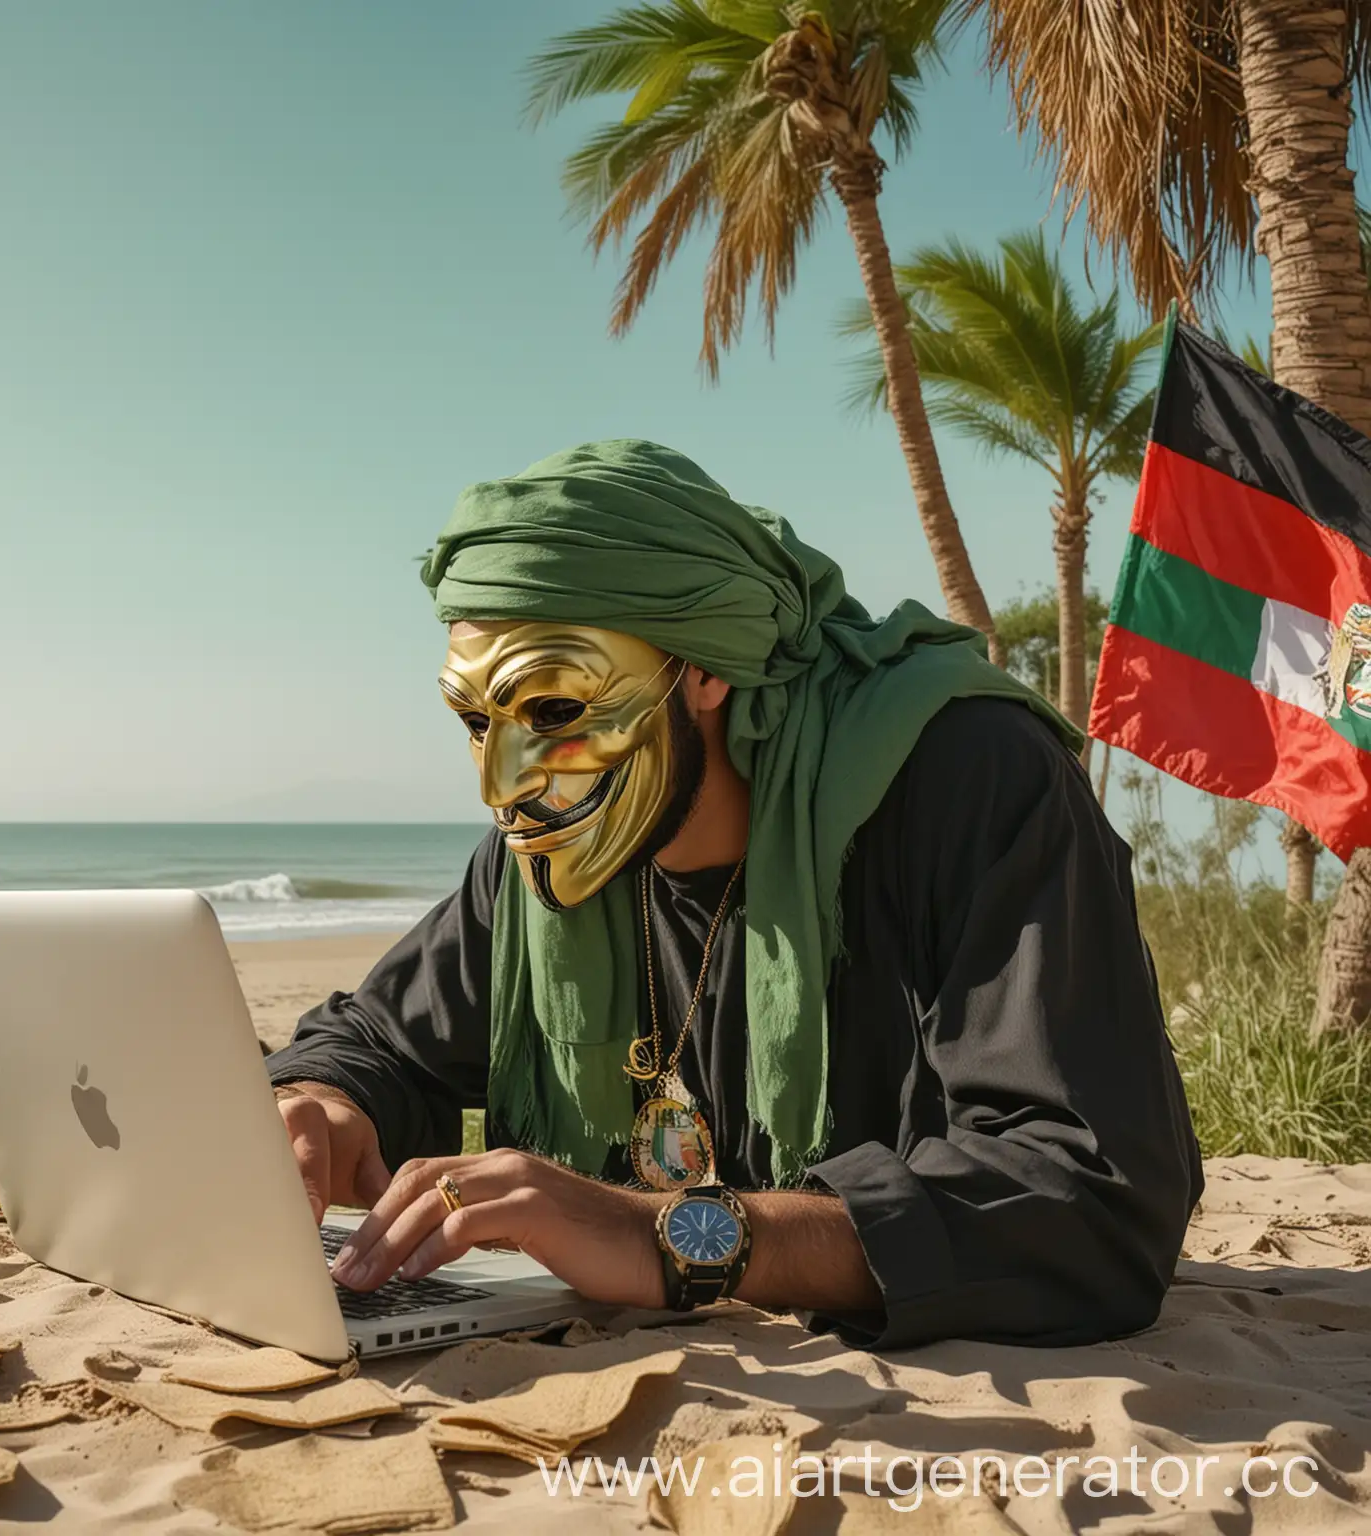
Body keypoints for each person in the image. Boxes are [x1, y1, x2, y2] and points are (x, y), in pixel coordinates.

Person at [267, 440, 1202, 1349]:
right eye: (476, 720)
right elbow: (380, 1040)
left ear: (705, 667)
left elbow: (1091, 1194)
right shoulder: (550, 845)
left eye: (555, 710)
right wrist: (322, 1100)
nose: (503, 782)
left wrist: (665, 1237)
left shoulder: (972, 778)